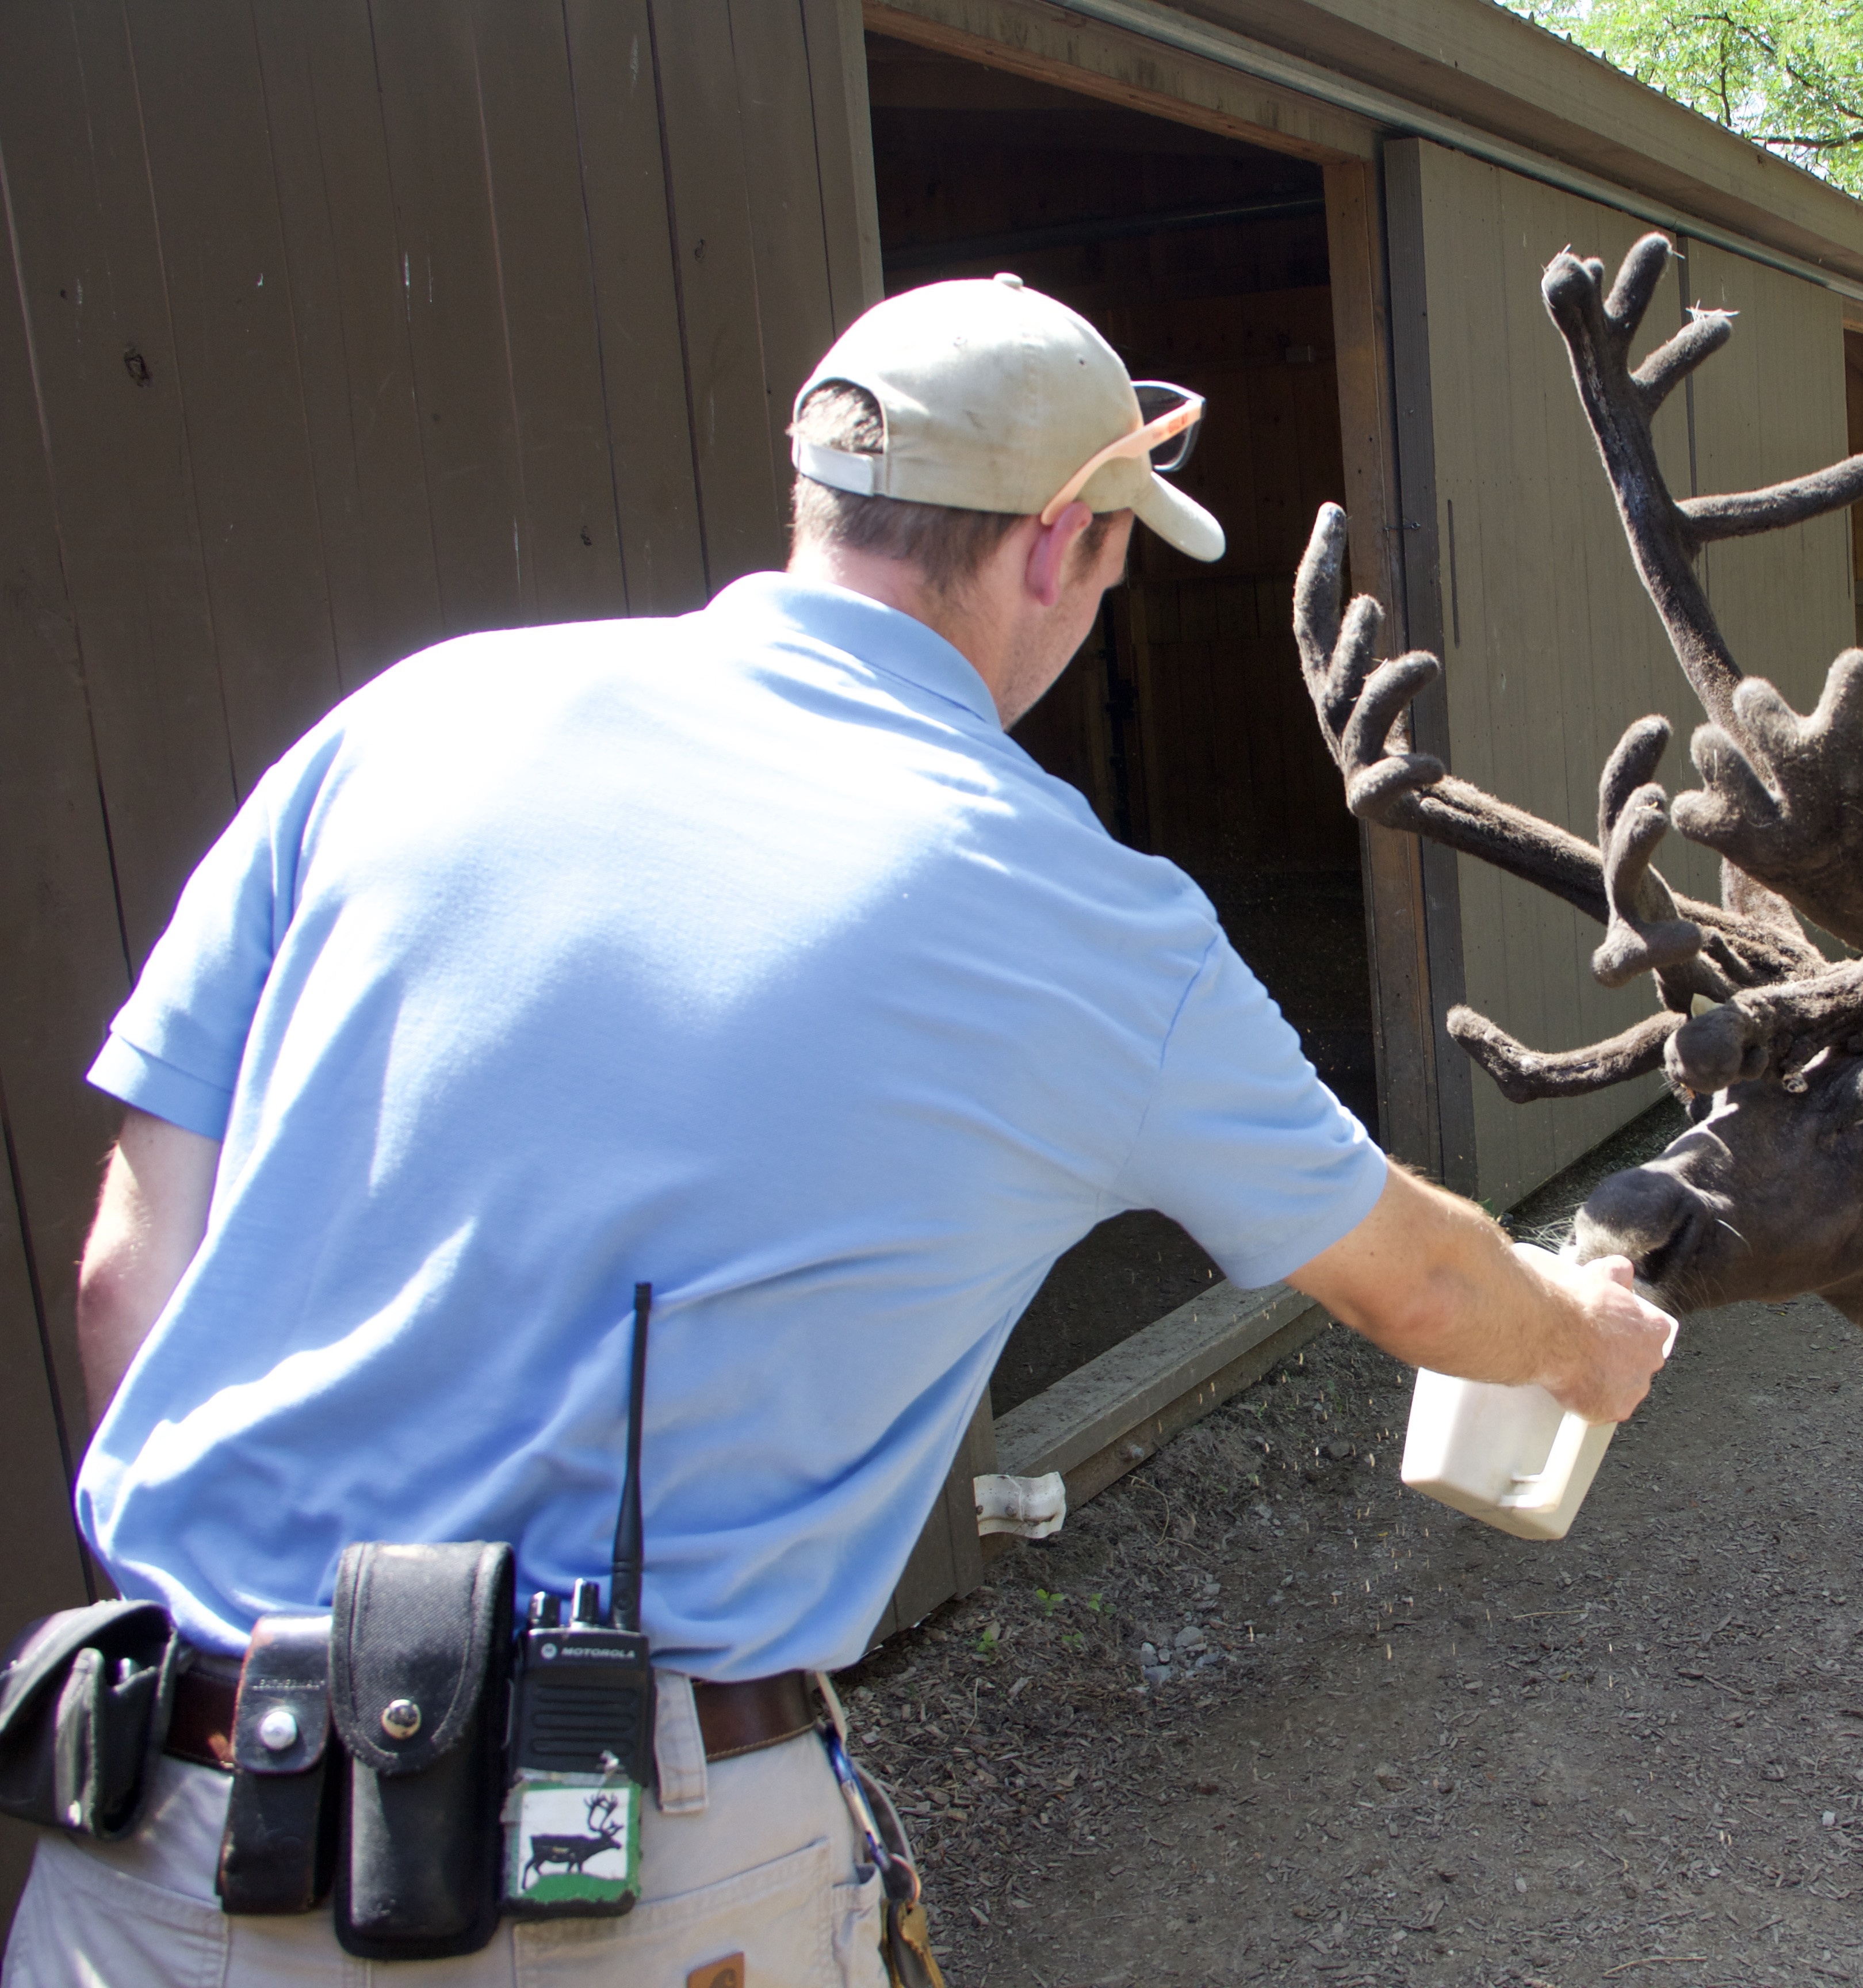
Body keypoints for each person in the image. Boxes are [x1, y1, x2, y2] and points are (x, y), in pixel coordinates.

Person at [5, 275, 1674, 1985]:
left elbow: (128, 1277)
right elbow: (1416, 1288)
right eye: (1114, 557)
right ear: (1053, 547)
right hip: (611, 1873)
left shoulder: (403, 721)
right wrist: (1580, 1339)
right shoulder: (1080, 915)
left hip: (166, 1827)